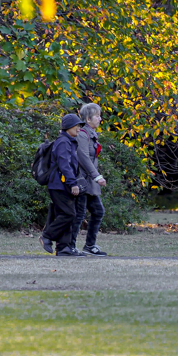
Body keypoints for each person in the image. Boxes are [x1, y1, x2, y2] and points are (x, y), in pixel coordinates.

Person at [39, 113, 87, 257]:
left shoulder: (69, 141)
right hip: (58, 184)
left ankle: (63, 248)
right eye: (76, 126)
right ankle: (46, 235)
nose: (79, 129)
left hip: (62, 184)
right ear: (68, 127)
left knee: (67, 213)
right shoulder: (63, 142)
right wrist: (73, 183)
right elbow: (64, 165)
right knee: (69, 214)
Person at [73, 102, 108, 256]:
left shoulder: (91, 134)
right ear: (88, 119)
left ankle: (90, 245)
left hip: (89, 183)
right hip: (82, 181)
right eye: (97, 116)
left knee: (98, 211)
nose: (100, 119)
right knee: (79, 214)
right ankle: (69, 246)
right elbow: (83, 158)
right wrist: (97, 176)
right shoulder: (82, 134)